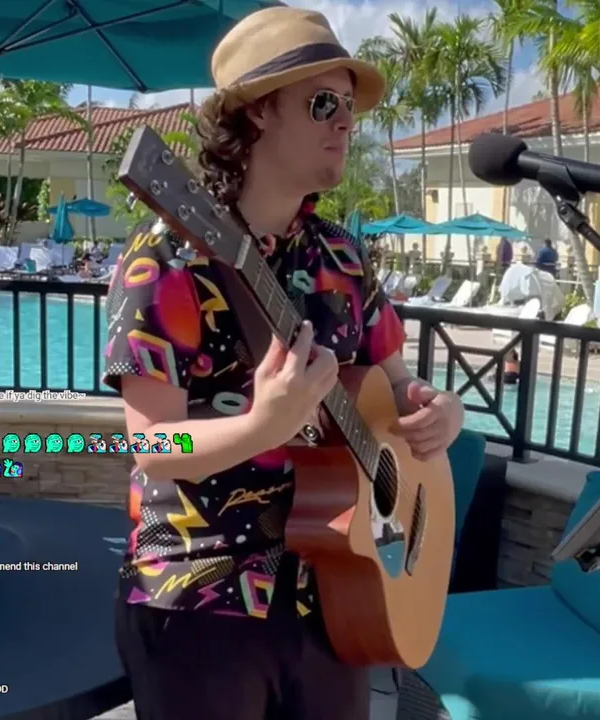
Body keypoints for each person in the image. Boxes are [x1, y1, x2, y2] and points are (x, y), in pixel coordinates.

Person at [104, 8, 465, 720]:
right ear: (258, 112)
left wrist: (440, 409)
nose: (346, 122)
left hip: (335, 593)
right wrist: (263, 425)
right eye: (323, 103)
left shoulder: (342, 256)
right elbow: (152, 447)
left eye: (350, 106)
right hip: (200, 600)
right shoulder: (165, 261)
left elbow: (396, 385)